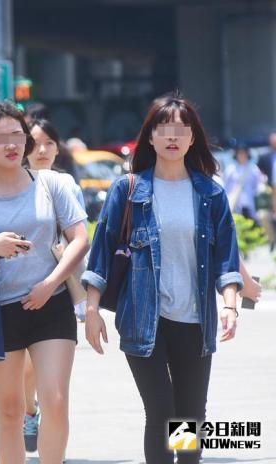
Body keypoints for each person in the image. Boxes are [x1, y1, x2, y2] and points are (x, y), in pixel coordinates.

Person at [83, 93, 243, 464]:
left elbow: (226, 257)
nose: (172, 136)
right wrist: (91, 309)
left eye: (181, 130)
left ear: (192, 139)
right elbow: (102, 252)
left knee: (189, 415)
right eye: (163, 128)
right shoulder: (128, 189)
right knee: (160, 412)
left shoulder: (210, 193)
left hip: (194, 319)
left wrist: (231, 305)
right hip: (143, 319)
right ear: (150, 137)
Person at [0, 103, 89, 464]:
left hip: (51, 304)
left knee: (54, 401)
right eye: (0, 138)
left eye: (17, 135)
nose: (11, 144)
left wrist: (50, 283)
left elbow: (80, 239)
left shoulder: (52, 184)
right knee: (9, 410)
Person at [20, 117, 88, 453]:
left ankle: (187, 449)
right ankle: (29, 410)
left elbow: (82, 239)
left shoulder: (66, 185)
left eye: (49, 142)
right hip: (19, 293)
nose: (43, 150)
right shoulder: (11, 184)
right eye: (35, 142)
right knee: (29, 369)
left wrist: (87, 295)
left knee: (187, 397)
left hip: (59, 287)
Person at [223, 146, 264, 224]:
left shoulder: (254, 169)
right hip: (235, 205)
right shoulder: (230, 169)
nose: (242, 155)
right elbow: (225, 187)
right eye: (240, 153)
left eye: (244, 153)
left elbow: (259, 186)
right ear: (236, 155)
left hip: (250, 205)